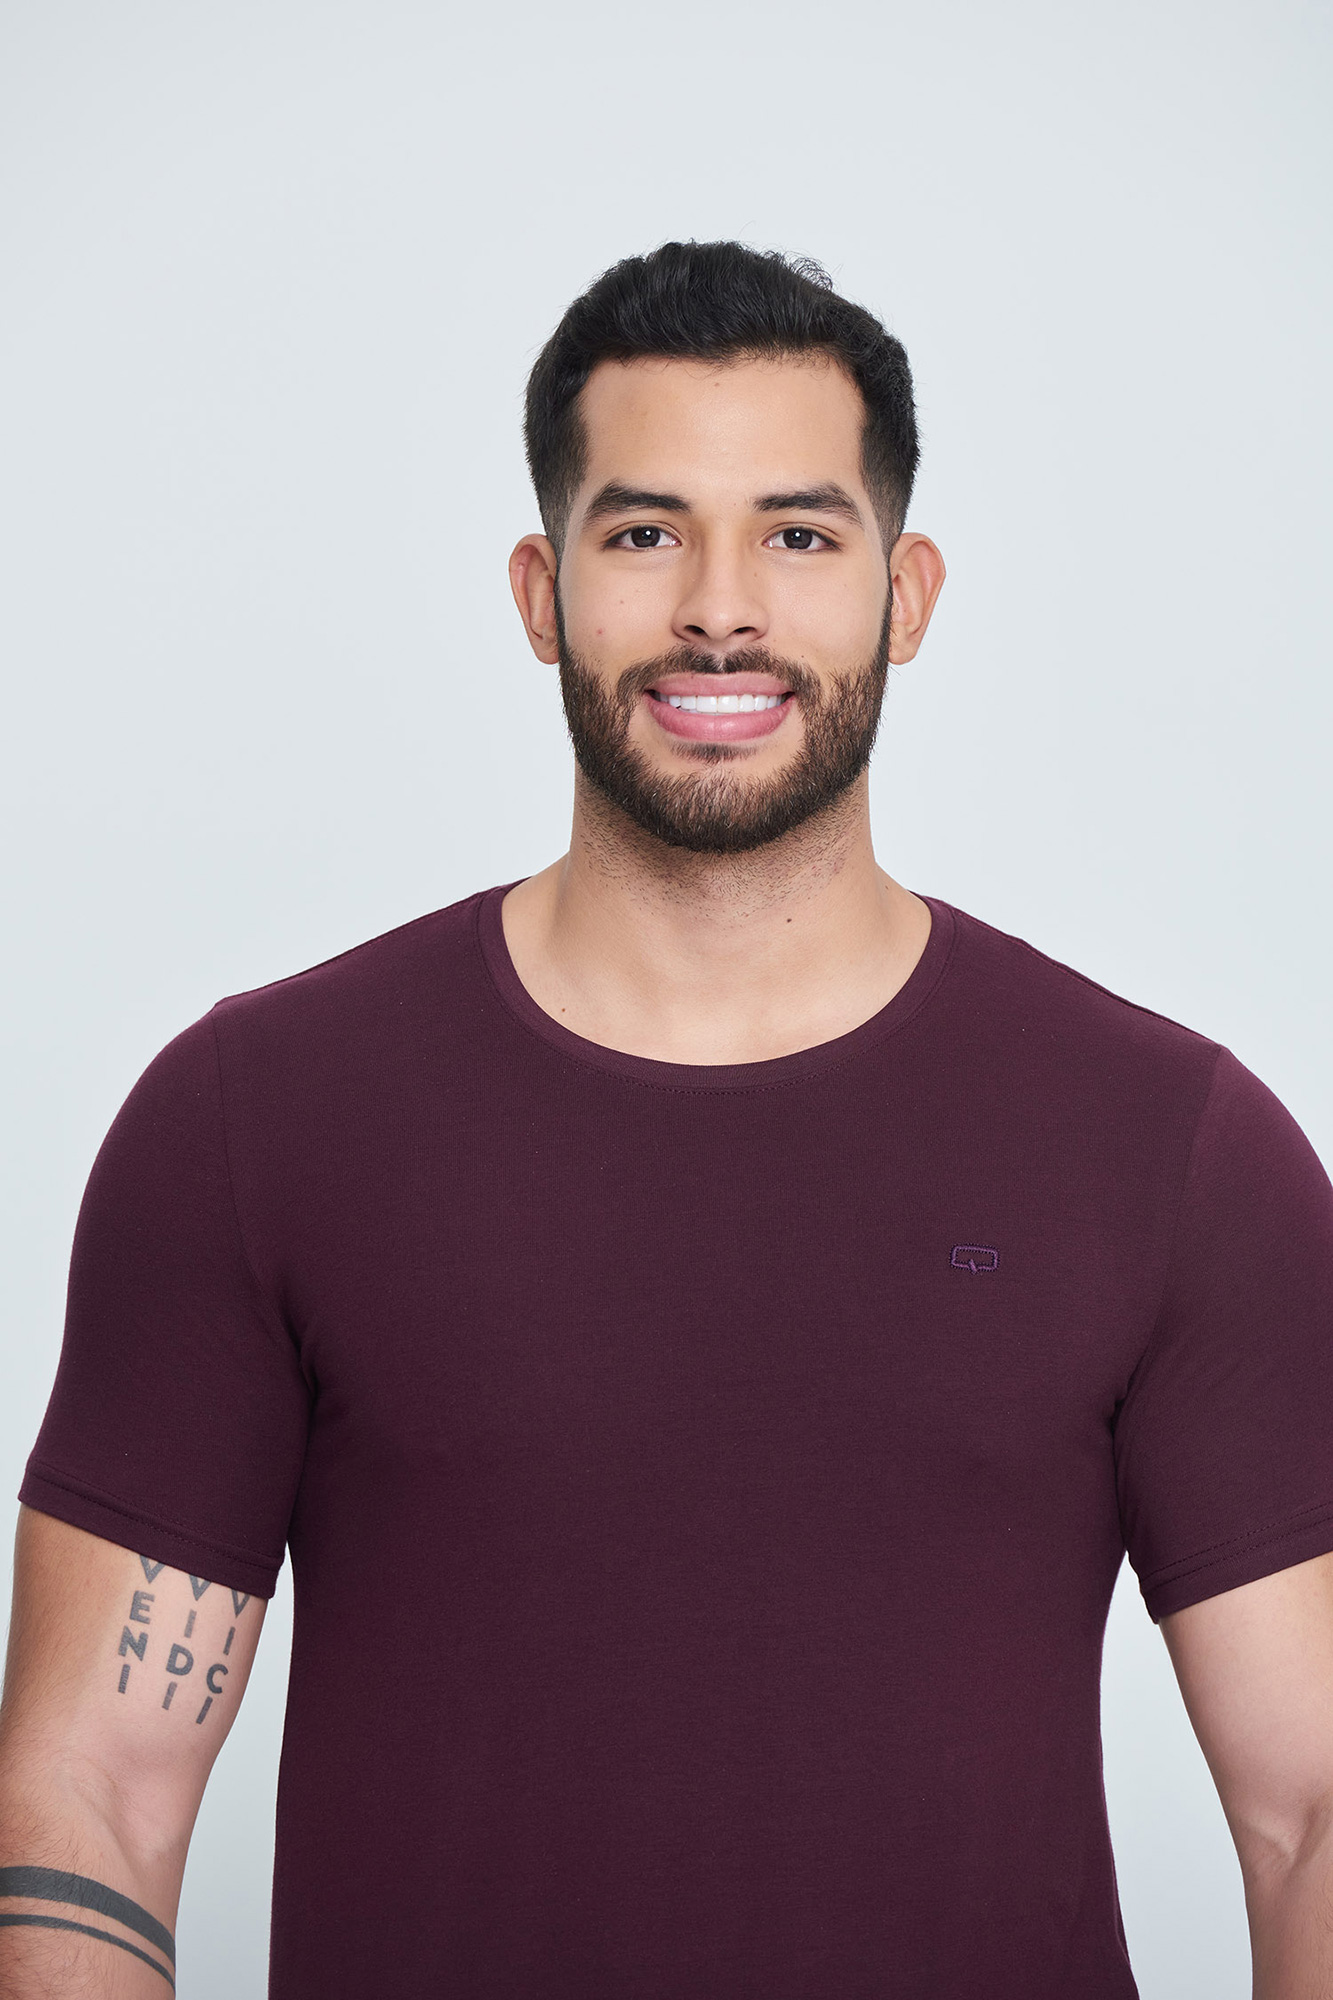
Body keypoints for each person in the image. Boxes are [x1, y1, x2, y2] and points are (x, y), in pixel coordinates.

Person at [1, 240, 1330, 2000]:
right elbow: (93, 1796)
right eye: (642, 533)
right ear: (540, 592)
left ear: (905, 594)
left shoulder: (1169, 1147)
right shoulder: (257, 1121)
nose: (720, 609)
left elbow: (1309, 1814)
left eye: (798, 536)